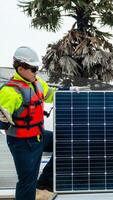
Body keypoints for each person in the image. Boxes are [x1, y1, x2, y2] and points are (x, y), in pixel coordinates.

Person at [0, 46, 56, 200]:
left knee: (66, 143)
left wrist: (69, 91)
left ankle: (44, 183)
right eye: (33, 69)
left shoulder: (37, 83)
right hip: (23, 144)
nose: (36, 72)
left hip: (39, 135)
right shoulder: (9, 92)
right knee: (27, 182)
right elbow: (2, 118)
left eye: (37, 69)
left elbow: (51, 95)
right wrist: (2, 121)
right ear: (21, 69)